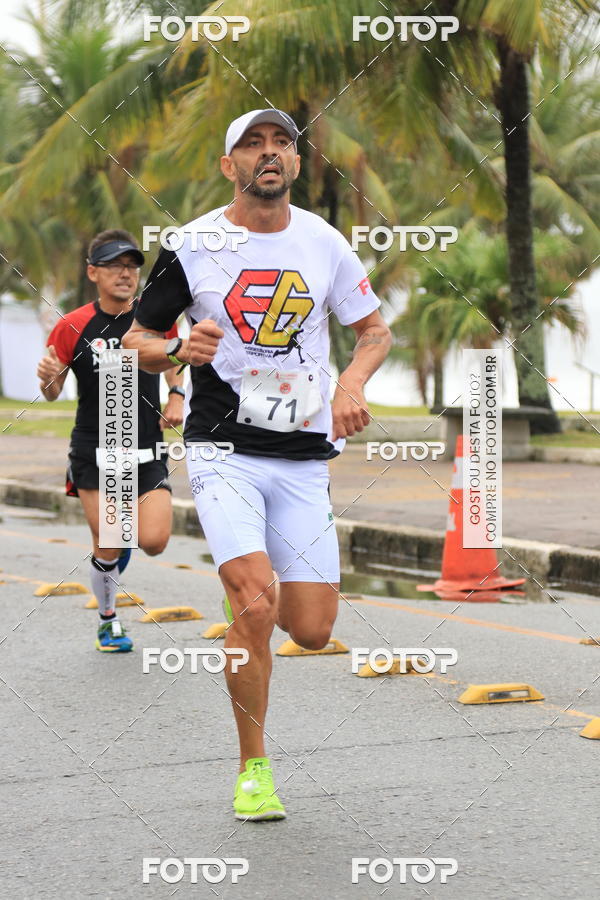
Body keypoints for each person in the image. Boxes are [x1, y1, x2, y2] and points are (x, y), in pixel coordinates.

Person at [122, 109, 392, 820]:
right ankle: (254, 768)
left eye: (282, 144)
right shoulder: (195, 243)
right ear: (228, 165)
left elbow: (373, 331)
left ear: (297, 165)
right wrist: (178, 351)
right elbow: (136, 339)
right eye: (252, 144)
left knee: (310, 630)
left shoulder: (326, 244)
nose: (269, 154)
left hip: (302, 456)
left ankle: (252, 601)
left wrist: (352, 384)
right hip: (221, 447)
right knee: (256, 603)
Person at [36, 229, 184, 653]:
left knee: (153, 541)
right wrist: (47, 378)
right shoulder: (73, 326)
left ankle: (115, 561)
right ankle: (108, 619)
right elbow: (51, 390)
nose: (126, 273)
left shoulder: (155, 317)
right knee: (113, 537)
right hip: (95, 449)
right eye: (115, 265)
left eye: (132, 266)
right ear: (93, 272)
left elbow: (175, 359)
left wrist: (176, 395)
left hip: (145, 444)